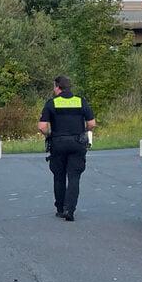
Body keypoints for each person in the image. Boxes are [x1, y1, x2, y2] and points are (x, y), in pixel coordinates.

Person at [38, 75, 96, 222]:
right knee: (74, 176)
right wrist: (83, 130)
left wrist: (49, 135)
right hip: (77, 143)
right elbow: (92, 123)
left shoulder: (52, 103)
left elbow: (42, 126)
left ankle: (60, 208)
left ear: (57, 87)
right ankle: (69, 209)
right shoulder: (80, 101)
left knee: (59, 175)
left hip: (58, 143)